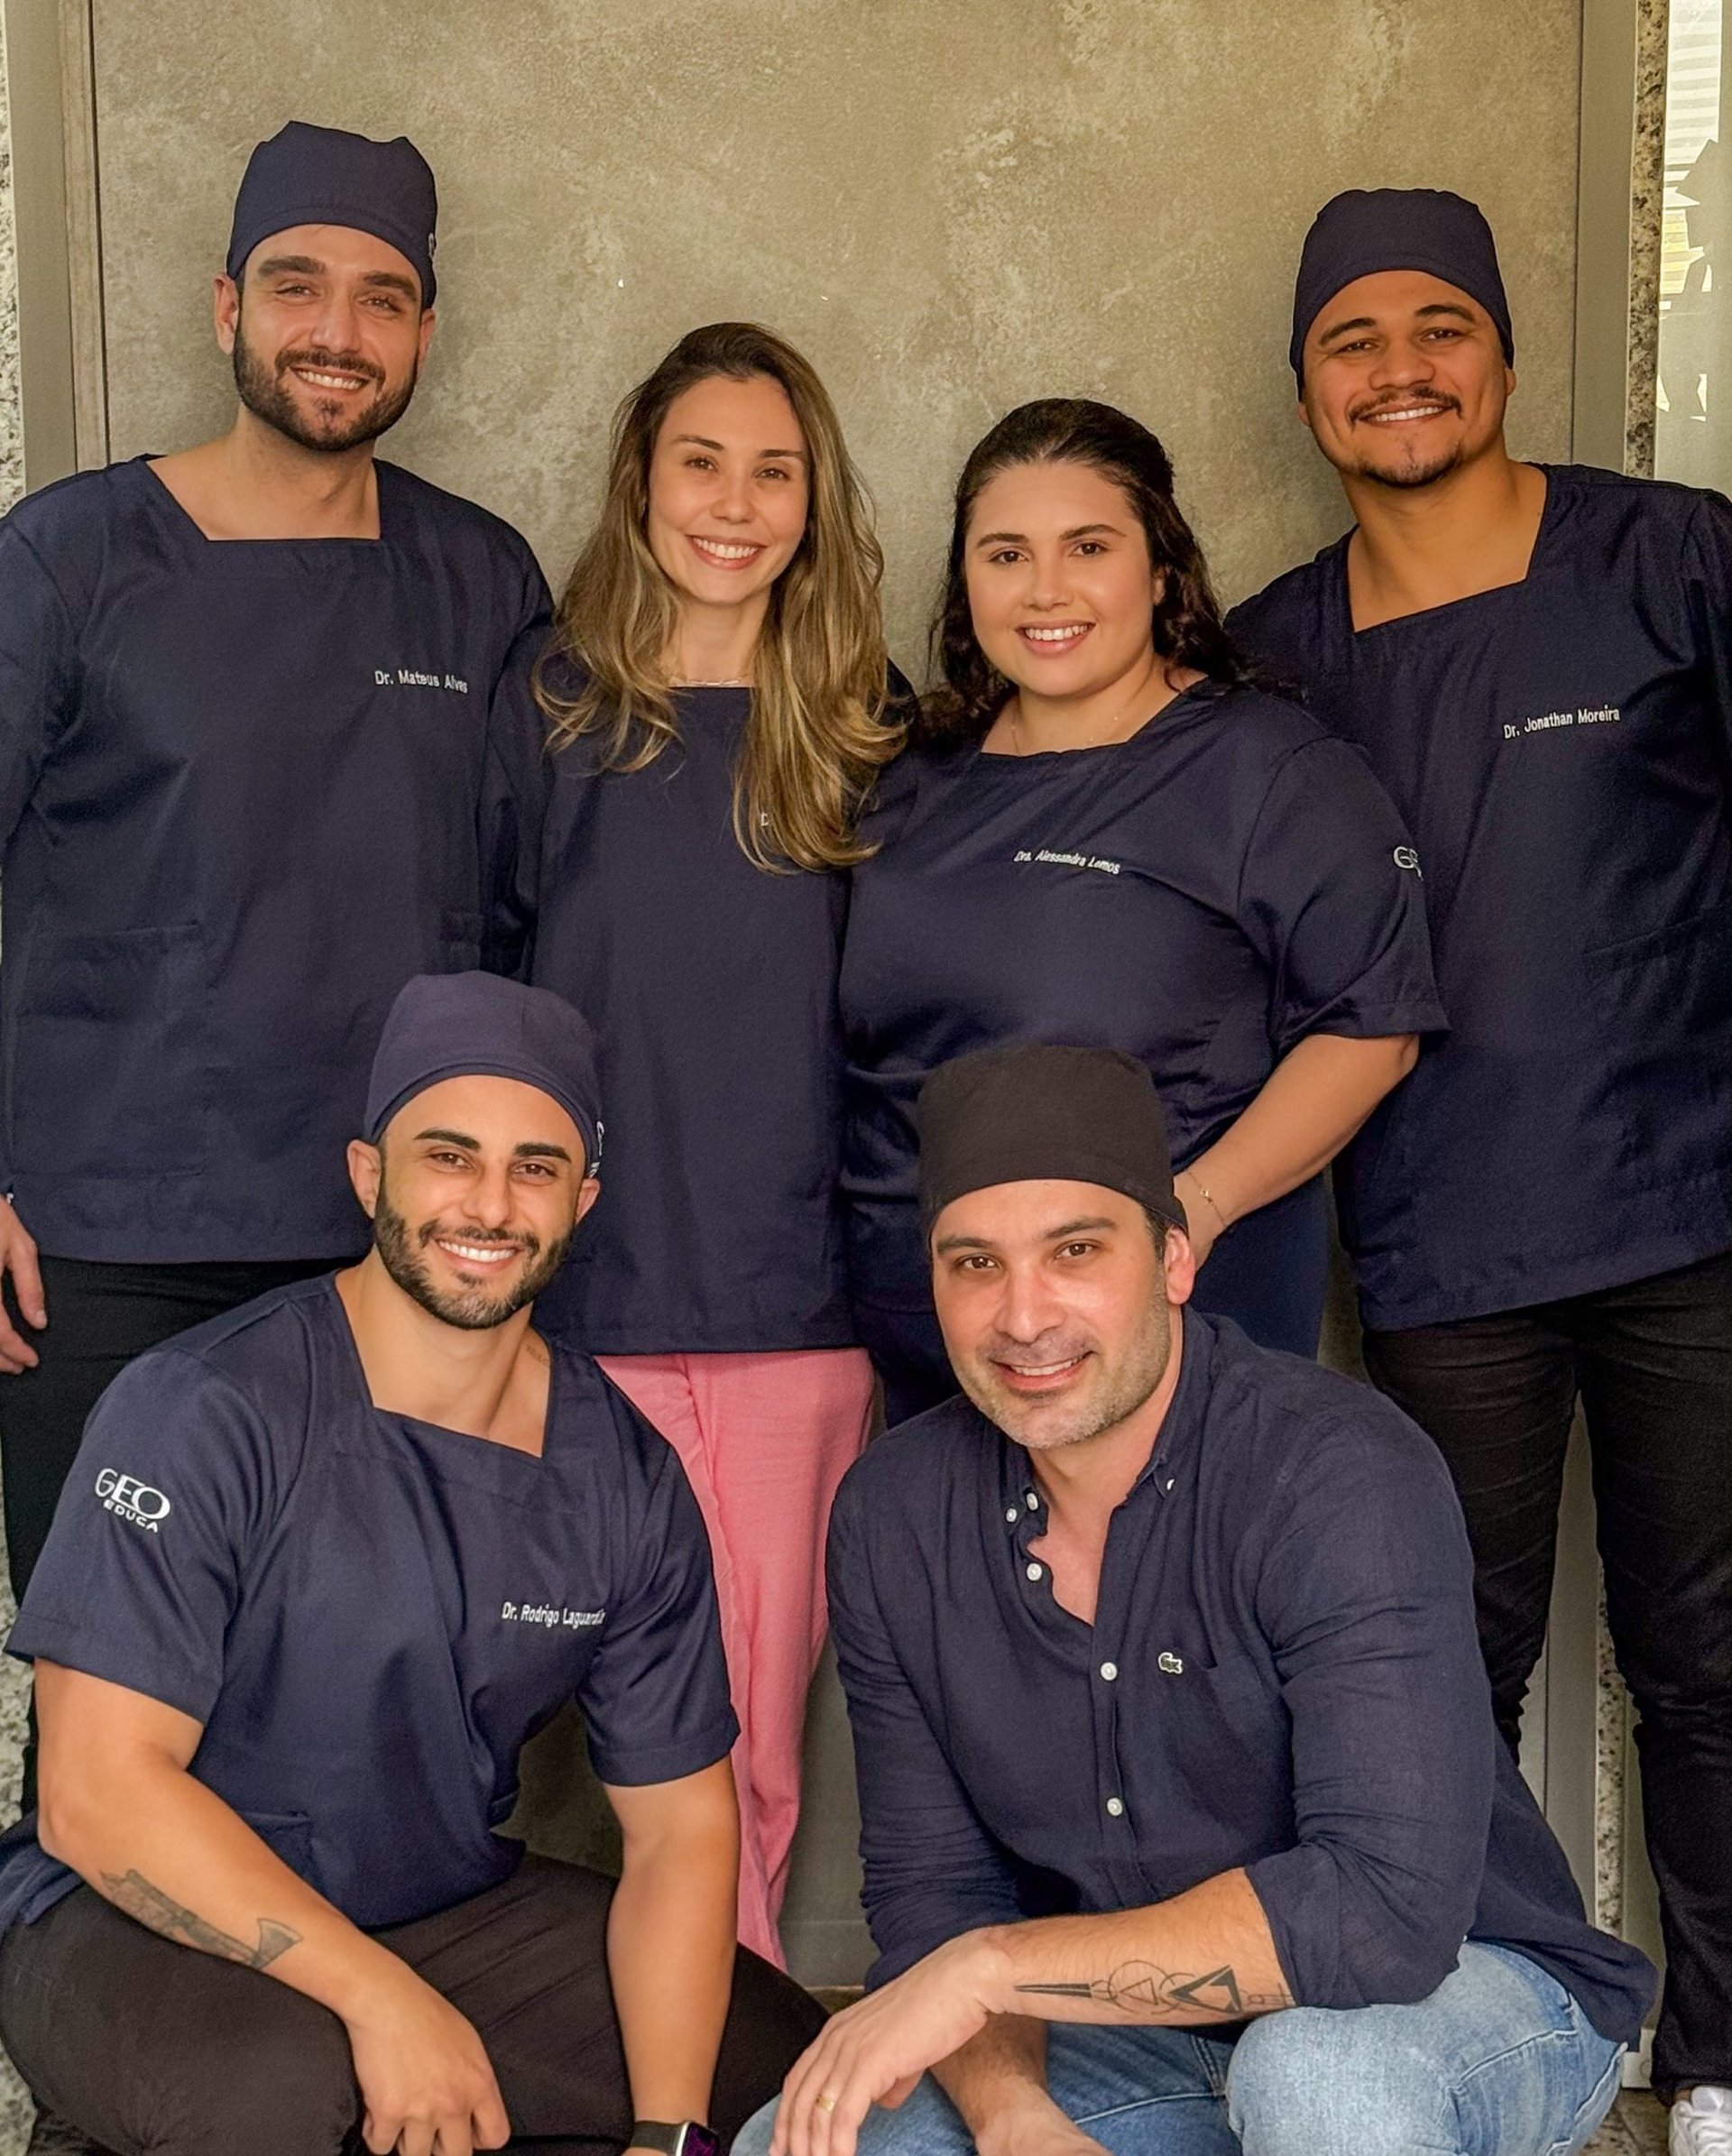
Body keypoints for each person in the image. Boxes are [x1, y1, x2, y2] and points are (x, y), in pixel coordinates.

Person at [741, 1043, 1654, 2156]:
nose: (1022, 1316)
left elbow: (1381, 1914)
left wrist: (991, 1967)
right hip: (1141, 2032)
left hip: (1464, 1996)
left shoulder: (1335, 1470)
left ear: (1173, 1257)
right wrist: (1016, 2117)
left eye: (1076, 1250)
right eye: (975, 1263)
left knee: (1319, 2082)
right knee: (807, 2135)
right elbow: (938, 1892)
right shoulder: (894, 1513)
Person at [1226, 187, 1732, 2149]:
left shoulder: (1671, 561)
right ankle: (1489, 2045)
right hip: (1439, 1248)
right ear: (1306, 392)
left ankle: (1718, 2071)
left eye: (1440, 327)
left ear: (1505, 356)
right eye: (1350, 341)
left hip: (1693, 1208)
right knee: (1440, 1671)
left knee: (1709, 1660)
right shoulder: (1276, 659)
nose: (1400, 370)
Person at [0, 971, 825, 2156]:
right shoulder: (203, 1405)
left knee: (773, 2061)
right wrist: (381, 1998)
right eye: (447, 1155)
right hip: (131, 1914)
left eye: (535, 1166)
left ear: (582, 1199)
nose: (489, 1203)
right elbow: (98, 1795)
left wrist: (669, 2133)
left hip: (433, 1908)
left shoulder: (621, 1472)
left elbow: (681, 1831)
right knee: (278, 2083)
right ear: (368, 1173)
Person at [0, 121, 549, 1697]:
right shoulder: (69, 561)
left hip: (393, 1247)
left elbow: (533, 911)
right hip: (105, 1250)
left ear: (425, 331)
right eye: (298, 285)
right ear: (227, 304)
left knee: (366, 1702)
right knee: (116, 1703)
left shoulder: (479, 581)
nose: (338, 331)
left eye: (383, 298)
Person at [530, 322, 907, 1964]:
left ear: (815, 502)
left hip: (789, 1314)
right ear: (640, 480)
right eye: (702, 463)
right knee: (566, 1745)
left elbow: (911, 1025)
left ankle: (724, 2069)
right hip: (565, 1313)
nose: (736, 506)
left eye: (775, 471)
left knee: (747, 1744)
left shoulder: (866, 728)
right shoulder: (544, 713)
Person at [841, 400, 1442, 1424]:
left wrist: (1195, 1207)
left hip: (1159, 1338)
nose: (1046, 590)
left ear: (1161, 569)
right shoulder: (914, 779)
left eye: (1089, 547)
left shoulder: (1268, 771)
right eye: (1006, 554)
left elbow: (1373, 1027)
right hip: (927, 1342)